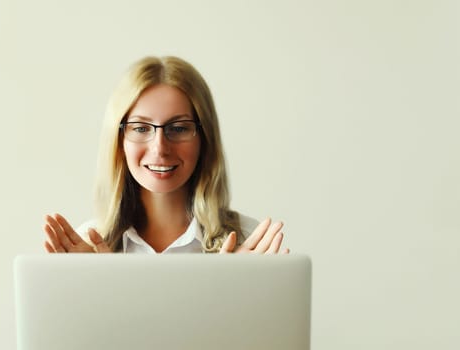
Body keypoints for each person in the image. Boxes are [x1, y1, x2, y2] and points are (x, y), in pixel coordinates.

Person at [43, 56, 290, 254]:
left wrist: (233, 291)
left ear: (205, 138)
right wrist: (98, 287)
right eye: (141, 128)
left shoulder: (250, 244)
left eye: (179, 128)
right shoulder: (85, 250)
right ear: (119, 142)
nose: (160, 148)